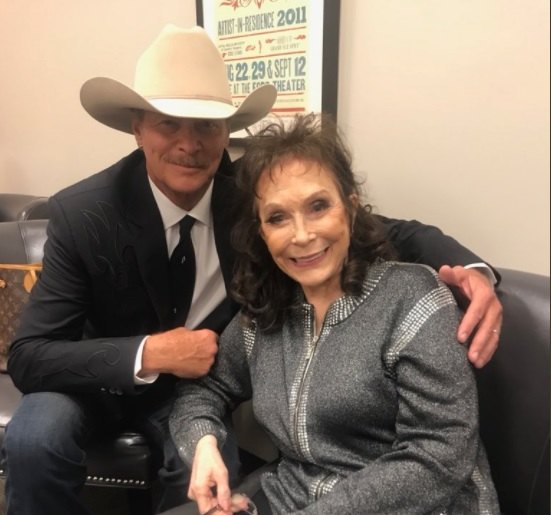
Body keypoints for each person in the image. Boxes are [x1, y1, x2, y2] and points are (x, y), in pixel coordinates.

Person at [1, 23, 500, 515]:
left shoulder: (252, 194)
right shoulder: (84, 211)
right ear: (137, 128)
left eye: (206, 126)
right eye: (167, 123)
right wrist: (150, 353)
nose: (188, 144)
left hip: (192, 392)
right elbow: (29, 356)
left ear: (226, 133)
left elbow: (389, 229)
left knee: (204, 483)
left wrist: (473, 270)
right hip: (96, 382)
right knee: (32, 440)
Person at [167, 113, 501, 515]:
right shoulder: (267, 310)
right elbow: (205, 388)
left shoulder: (413, 299)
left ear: (351, 209)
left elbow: (439, 454)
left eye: (318, 206)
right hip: (291, 495)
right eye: (277, 218)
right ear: (261, 232)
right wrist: (203, 443)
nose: (303, 235)